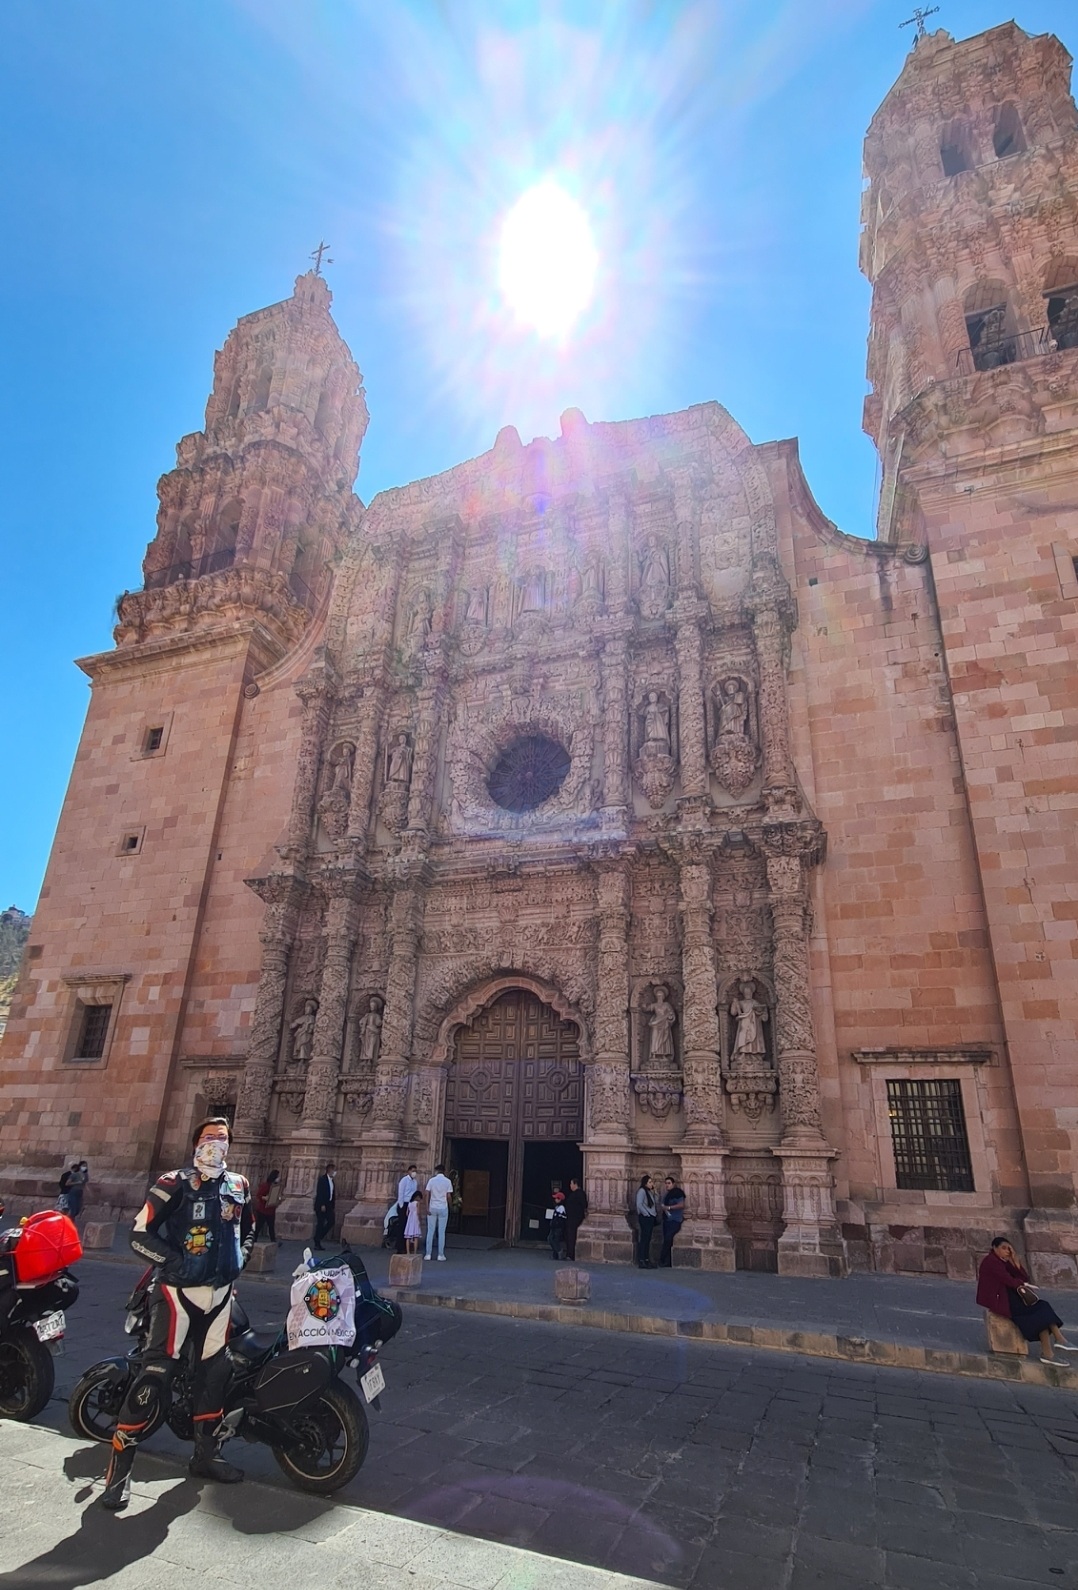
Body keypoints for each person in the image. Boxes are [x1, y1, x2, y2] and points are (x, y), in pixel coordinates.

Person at [100, 1116, 253, 1510]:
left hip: (220, 1294)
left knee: (216, 1373)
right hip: (176, 1294)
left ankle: (205, 1456)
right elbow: (139, 1233)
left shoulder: (238, 1185)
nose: (216, 1143)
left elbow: (248, 1229)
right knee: (155, 1376)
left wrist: (241, 1258)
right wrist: (174, 1262)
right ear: (195, 1143)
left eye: (223, 1138)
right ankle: (119, 1472)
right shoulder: (174, 1183)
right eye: (209, 1137)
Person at [976, 1237, 1078, 1364]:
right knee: (1041, 1309)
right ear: (994, 1248)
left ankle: (1049, 1353)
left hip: (1010, 1298)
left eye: (1009, 1248)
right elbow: (1009, 1280)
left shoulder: (1002, 1261)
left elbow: (1023, 1276)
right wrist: (1021, 1283)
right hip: (1001, 1301)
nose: (1007, 1251)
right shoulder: (991, 1262)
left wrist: (1015, 1260)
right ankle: (1059, 1342)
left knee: (1040, 1312)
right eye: (1003, 1248)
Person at [424, 1163, 453, 1261]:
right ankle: (440, 1254)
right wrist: (451, 1205)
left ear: (436, 1171)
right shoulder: (448, 1181)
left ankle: (428, 1254)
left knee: (430, 1231)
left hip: (432, 1206)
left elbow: (427, 1193)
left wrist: (426, 1206)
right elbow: (448, 1196)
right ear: (444, 1171)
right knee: (441, 1232)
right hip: (443, 1207)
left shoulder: (432, 1181)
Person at [659, 1176, 686, 1268]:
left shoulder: (677, 1193)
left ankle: (663, 1260)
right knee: (667, 1240)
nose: (667, 1185)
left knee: (668, 1239)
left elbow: (681, 1205)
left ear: (673, 1184)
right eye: (666, 1183)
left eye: (669, 1183)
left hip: (674, 1220)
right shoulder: (667, 1194)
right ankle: (667, 1261)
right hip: (667, 1219)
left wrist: (669, 1207)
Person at [635, 1175, 658, 1268]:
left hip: (651, 1216)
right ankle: (642, 1260)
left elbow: (655, 1202)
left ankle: (646, 1259)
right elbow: (639, 1204)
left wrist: (655, 1192)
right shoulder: (641, 1191)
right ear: (645, 1183)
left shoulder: (649, 1192)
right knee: (644, 1239)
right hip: (646, 1217)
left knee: (648, 1239)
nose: (651, 1183)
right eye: (650, 1182)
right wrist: (646, 1214)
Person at [312, 1164, 336, 1250]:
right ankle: (317, 1242)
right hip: (322, 1205)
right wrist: (322, 1204)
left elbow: (332, 1193)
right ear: (329, 1170)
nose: (334, 1172)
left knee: (331, 1221)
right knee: (320, 1222)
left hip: (329, 1205)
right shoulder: (322, 1180)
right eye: (333, 1170)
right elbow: (320, 1193)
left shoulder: (332, 1181)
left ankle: (319, 1236)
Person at [253, 1169, 281, 1242]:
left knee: (271, 1226)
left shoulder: (275, 1186)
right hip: (263, 1210)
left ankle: (273, 1240)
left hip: (271, 1210)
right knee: (259, 1226)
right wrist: (265, 1198)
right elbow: (259, 1195)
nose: (279, 1178)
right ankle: (253, 1239)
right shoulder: (265, 1185)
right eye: (278, 1176)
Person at [564, 1177, 588, 1261]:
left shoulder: (580, 1194)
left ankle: (571, 1254)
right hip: (571, 1218)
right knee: (569, 1236)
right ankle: (569, 1253)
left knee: (571, 1236)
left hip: (575, 1218)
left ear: (575, 1184)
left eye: (571, 1183)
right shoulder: (574, 1194)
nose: (570, 1185)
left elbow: (584, 1205)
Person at [548, 1185, 568, 1261]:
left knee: (554, 1239)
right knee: (550, 1239)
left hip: (558, 1227)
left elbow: (560, 1218)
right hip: (554, 1226)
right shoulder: (557, 1207)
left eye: (556, 1198)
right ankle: (555, 1254)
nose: (555, 1199)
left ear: (560, 1199)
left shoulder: (561, 1208)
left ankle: (559, 1252)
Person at [403, 1190, 423, 1255]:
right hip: (415, 1219)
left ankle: (408, 1252)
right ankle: (415, 1252)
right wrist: (420, 1219)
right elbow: (418, 1212)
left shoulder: (409, 1203)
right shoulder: (417, 1203)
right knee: (416, 1236)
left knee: (408, 1236)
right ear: (417, 1197)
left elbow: (407, 1213)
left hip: (410, 1219)